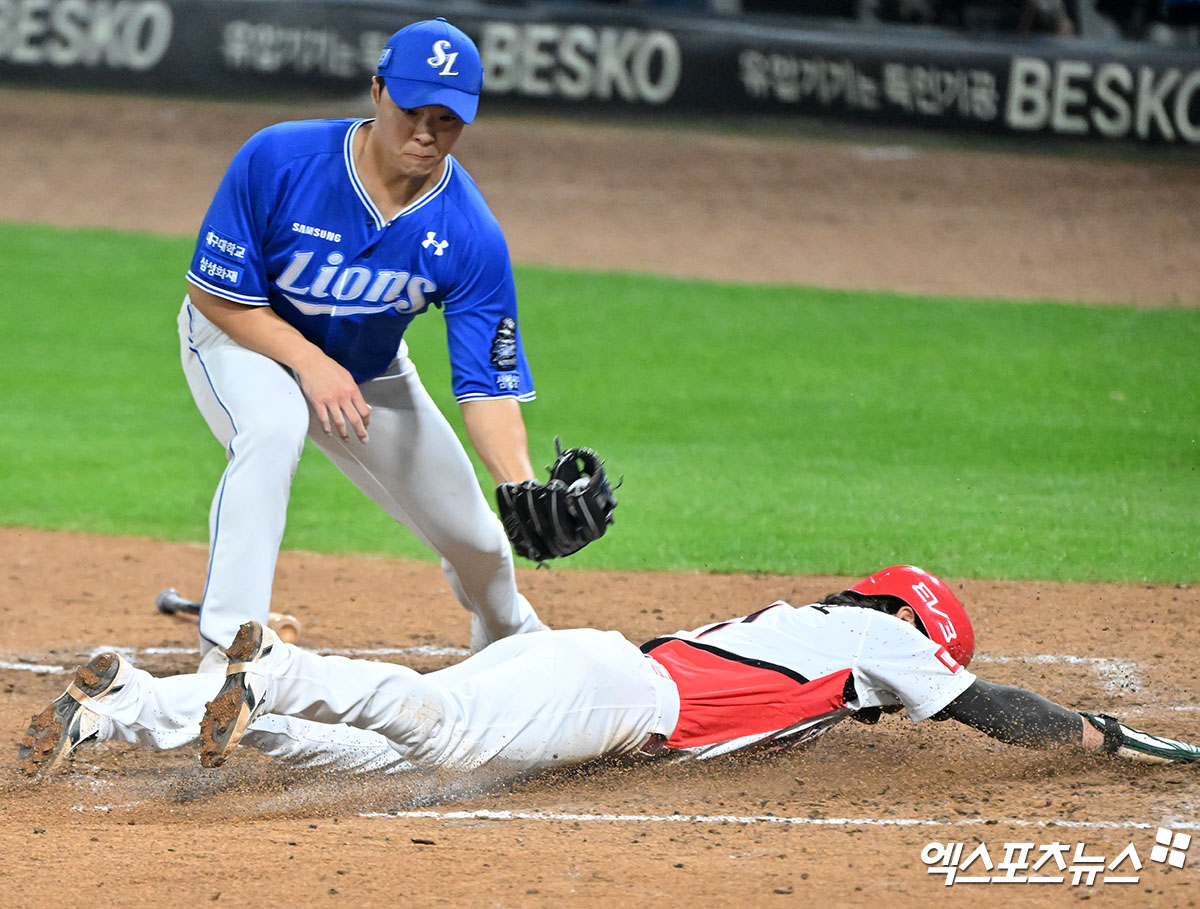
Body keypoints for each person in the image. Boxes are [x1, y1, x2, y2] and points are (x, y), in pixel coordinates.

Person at [18, 566, 1200, 779]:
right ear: (919, 628)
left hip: (592, 670)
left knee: (359, 754)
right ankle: (273, 667)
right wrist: (1100, 737)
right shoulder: (881, 644)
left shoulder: (827, 631)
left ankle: (119, 711)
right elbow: (994, 710)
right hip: (621, 696)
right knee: (438, 734)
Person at [178, 17, 550, 672]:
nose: (426, 133)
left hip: (367, 374)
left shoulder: (469, 232)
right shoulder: (279, 160)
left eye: (448, 118)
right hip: (239, 338)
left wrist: (521, 483)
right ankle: (228, 656)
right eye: (412, 110)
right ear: (377, 91)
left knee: (478, 540)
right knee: (275, 424)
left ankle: (512, 641)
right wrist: (310, 360)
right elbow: (216, 296)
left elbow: (487, 388)